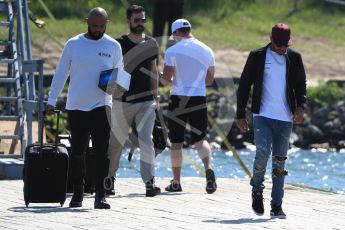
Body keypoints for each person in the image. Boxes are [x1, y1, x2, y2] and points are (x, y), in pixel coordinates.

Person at [46, 7, 123, 209]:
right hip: (77, 105)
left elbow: (120, 74)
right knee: (78, 151)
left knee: (101, 152)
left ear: (107, 24)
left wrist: (119, 89)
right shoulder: (73, 44)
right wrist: (51, 100)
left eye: (101, 26)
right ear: (86, 22)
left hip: (102, 104)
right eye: (94, 25)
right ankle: (78, 194)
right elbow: (61, 73)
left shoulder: (114, 46)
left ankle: (100, 195)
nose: (98, 29)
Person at [235, 23, 307, 218]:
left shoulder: (294, 58)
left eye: (285, 45)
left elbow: (301, 84)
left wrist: (301, 106)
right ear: (271, 39)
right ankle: (257, 190)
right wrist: (240, 114)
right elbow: (244, 86)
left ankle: (277, 205)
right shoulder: (257, 56)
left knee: (280, 162)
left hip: (285, 118)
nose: (282, 48)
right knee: (263, 154)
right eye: (279, 44)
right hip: (263, 115)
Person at [106, 5, 161, 197]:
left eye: (143, 20)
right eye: (137, 20)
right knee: (116, 142)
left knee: (147, 140)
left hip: (146, 101)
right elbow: (110, 71)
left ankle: (149, 183)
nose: (141, 24)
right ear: (129, 21)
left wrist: (157, 96)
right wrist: (112, 92)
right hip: (122, 101)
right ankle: (109, 180)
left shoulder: (152, 43)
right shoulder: (118, 44)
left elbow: (154, 71)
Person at [161, 18, 217, 194]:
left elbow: (167, 80)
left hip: (178, 99)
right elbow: (209, 80)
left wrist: (161, 75)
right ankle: (208, 170)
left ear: (177, 33)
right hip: (198, 98)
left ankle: (176, 182)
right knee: (200, 140)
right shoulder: (207, 50)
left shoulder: (172, 51)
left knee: (176, 142)